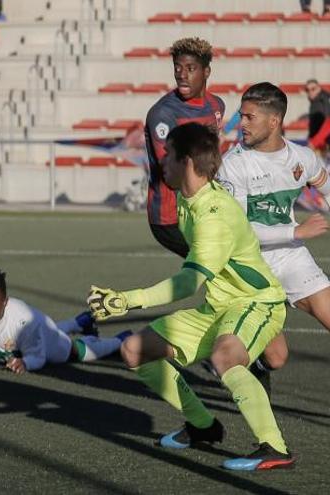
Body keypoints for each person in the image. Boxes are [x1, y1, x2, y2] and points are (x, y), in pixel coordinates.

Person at [88, 122, 295, 471]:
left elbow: (187, 284)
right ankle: (202, 426)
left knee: (225, 358)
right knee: (135, 350)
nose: (161, 163)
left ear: (185, 162)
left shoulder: (213, 216)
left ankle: (274, 448)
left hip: (254, 302)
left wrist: (126, 300)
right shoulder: (189, 199)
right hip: (218, 306)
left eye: (167, 156)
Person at [217, 83, 330, 385]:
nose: (240, 124)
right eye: (241, 116)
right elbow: (239, 233)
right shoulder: (232, 165)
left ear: (274, 121)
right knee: (277, 357)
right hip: (248, 265)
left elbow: (327, 187)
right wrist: (296, 230)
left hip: (290, 257)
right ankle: (256, 366)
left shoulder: (302, 158)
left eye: (249, 118)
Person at [0, 268, 129, 375]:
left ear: (5, 302)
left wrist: (25, 363)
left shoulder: (24, 321)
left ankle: (119, 340)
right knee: (48, 333)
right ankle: (79, 322)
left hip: (42, 329)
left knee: (73, 352)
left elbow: (37, 357)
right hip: (34, 334)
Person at [144, 37, 224, 258]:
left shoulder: (217, 105)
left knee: (222, 267)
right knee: (216, 264)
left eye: (190, 68)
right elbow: (173, 175)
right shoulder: (163, 114)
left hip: (205, 208)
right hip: (170, 217)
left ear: (206, 72)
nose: (181, 74)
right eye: (177, 68)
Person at [305, 79, 330, 150]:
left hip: (321, 144)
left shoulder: (320, 102)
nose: (310, 92)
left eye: (313, 89)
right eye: (307, 90)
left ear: (319, 88)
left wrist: (314, 142)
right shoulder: (316, 101)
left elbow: (327, 124)